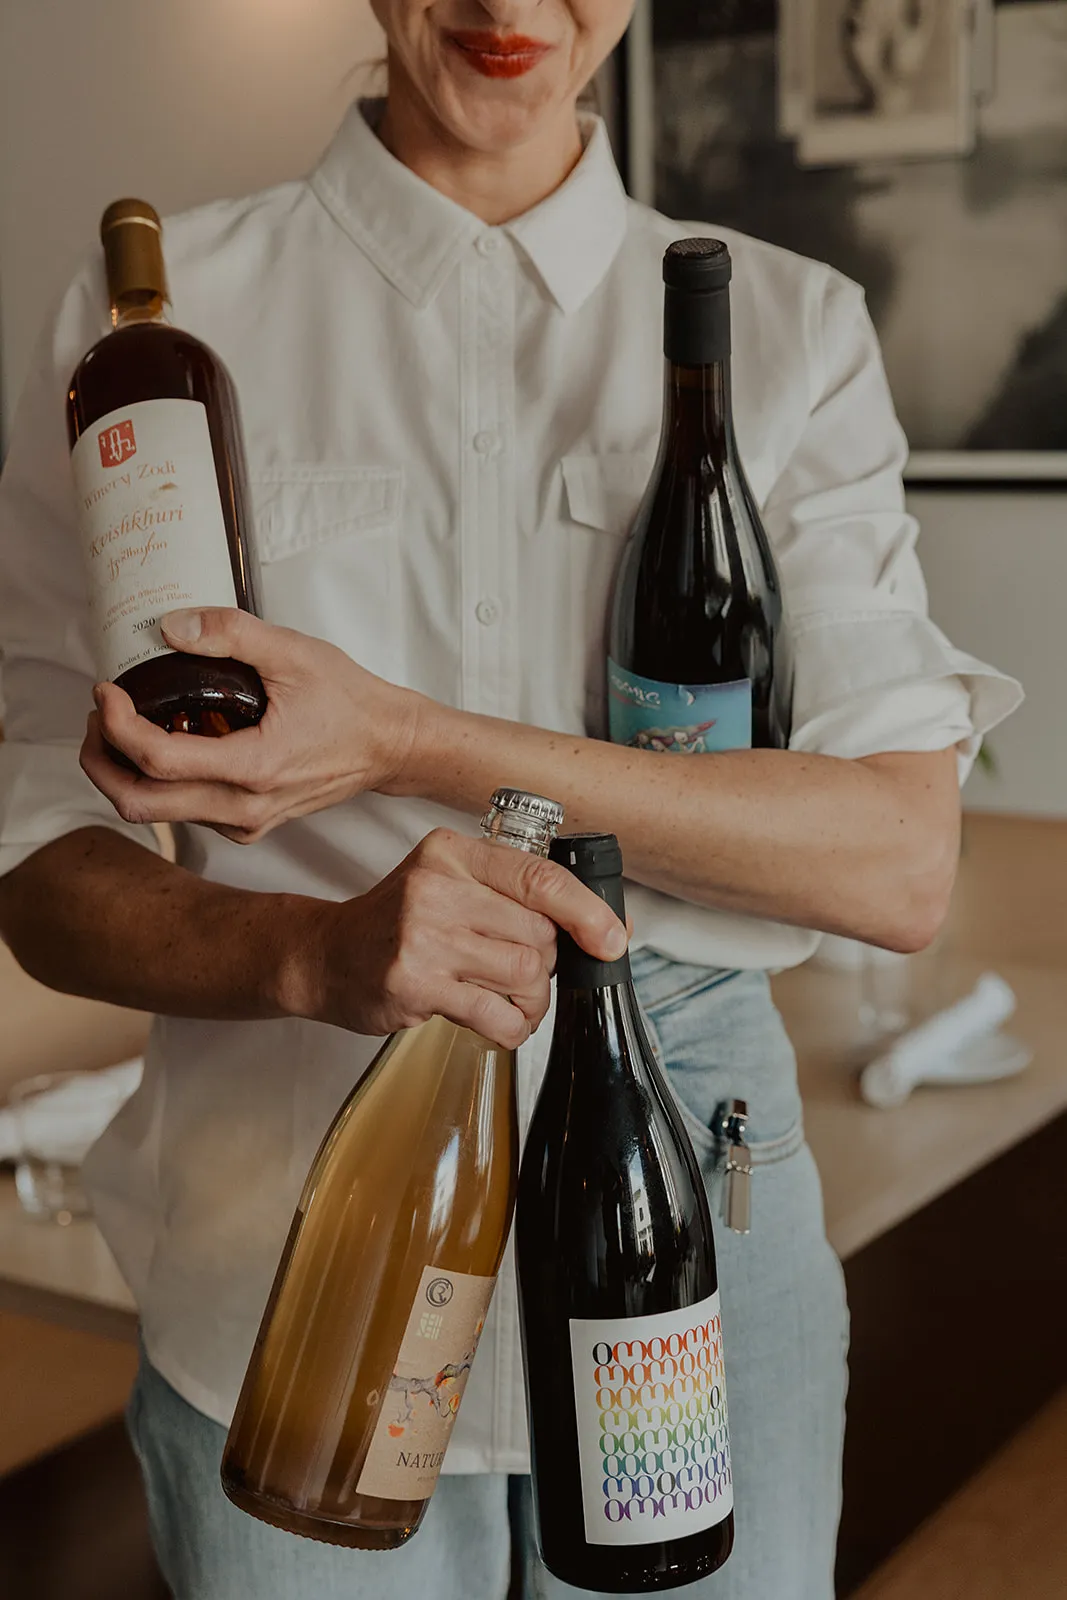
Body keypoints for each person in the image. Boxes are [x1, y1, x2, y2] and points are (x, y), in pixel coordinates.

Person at [0, 2, 1020, 1597]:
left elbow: (893, 859)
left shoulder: (792, 327)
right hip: (282, 1257)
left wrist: (405, 738)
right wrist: (308, 956)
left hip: (700, 1240)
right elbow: (35, 855)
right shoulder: (163, 323)